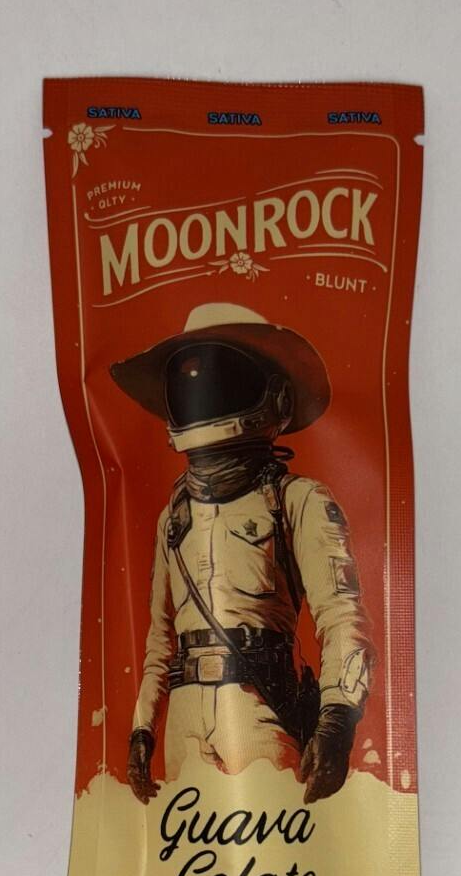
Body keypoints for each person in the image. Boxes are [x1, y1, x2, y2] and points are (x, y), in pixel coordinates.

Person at [109, 302, 375, 804]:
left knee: (270, 823)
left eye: (221, 377)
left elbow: (341, 615)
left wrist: (337, 719)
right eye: (192, 380)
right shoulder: (175, 517)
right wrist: (143, 728)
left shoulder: (297, 500)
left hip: (260, 705)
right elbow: (161, 641)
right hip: (185, 712)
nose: (203, 391)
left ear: (274, 395)